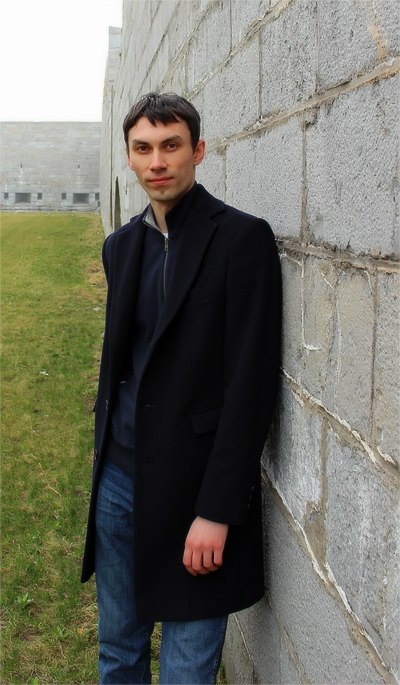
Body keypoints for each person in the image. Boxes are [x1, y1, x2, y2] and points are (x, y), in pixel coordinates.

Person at [81, 92, 281, 685]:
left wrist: (217, 510)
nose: (157, 161)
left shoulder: (242, 239)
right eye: (143, 148)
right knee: (119, 652)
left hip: (196, 491)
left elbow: (251, 385)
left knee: (187, 670)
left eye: (171, 145)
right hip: (119, 482)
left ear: (198, 150)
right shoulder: (121, 247)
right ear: (129, 158)